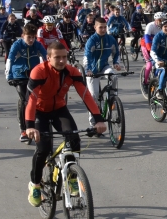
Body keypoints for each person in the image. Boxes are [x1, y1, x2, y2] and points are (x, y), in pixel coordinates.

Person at [23, 40, 106, 207]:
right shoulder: (39, 72)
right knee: (43, 148)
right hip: (39, 111)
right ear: (48, 58)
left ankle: (71, 177)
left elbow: (85, 95)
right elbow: (31, 100)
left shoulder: (72, 72)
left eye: (64, 57)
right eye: (57, 57)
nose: (61, 61)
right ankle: (35, 184)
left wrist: (98, 120)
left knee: (74, 139)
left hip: (59, 109)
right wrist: (30, 126)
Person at [7, 23, 47, 142]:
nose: (31, 40)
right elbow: (10, 60)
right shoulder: (17, 45)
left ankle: (40, 126)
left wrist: (48, 72)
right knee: (26, 101)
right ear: (23, 35)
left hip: (33, 75)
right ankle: (23, 130)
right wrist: (9, 76)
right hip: (19, 75)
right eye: (28, 37)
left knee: (39, 99)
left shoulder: (37, 45)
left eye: (33, 37)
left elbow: (46, 58)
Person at [83, 16, 123, 127]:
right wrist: (88, 70)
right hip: (92, 71)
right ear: (95, 27)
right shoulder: (91, 40)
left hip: (104, 67)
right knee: (94, 96)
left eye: (105, 27)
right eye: (100, 27)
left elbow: (116, 53)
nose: (103, 29)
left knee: (114, 76)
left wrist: (116, 63)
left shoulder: (110, 39)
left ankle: (112, 97)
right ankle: (93, 124)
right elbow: (87, 56)